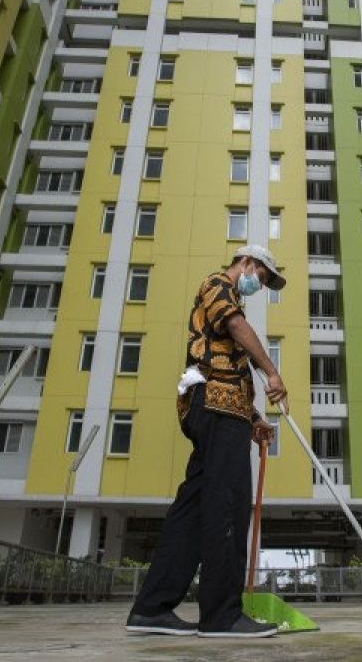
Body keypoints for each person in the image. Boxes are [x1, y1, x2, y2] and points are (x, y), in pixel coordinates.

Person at [125, 245, 289, 638]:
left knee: (194, 509)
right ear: (246, 263)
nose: (259, 285)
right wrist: (272, 372)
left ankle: (151, 608)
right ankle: (222, 616)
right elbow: (235, 328)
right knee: (227, 506)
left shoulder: (227, 301)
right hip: (214, 409)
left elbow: (226, 364)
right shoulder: (218, 284)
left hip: (220, 411)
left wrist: (252, 418)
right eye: (261, 277)